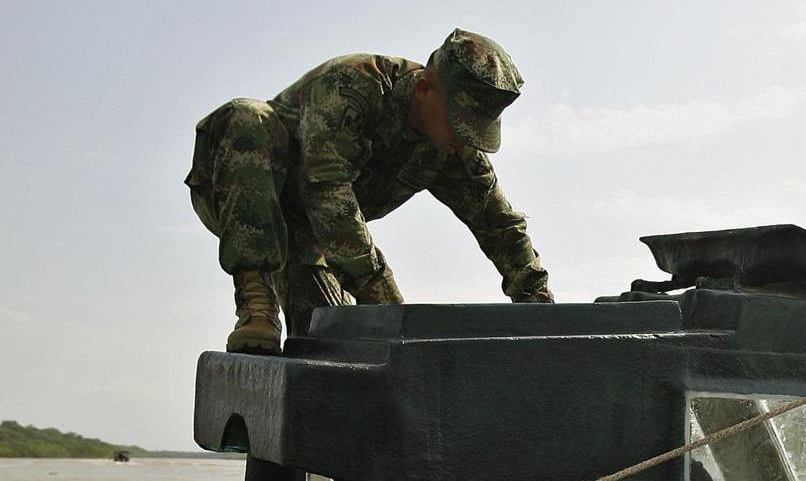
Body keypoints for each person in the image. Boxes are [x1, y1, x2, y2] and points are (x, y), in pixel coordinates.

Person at [187, 29, 551, 355]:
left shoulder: (452, 150)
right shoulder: (353, 86)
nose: (463, 137)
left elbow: (499, 226)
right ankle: (256, 301)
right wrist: (390, 306)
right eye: (459, 122)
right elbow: (327, 195)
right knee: (248, 118)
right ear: (425, 88)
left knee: (331, 348)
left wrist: (542, 311)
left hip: (313, 236)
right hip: (246, 189)